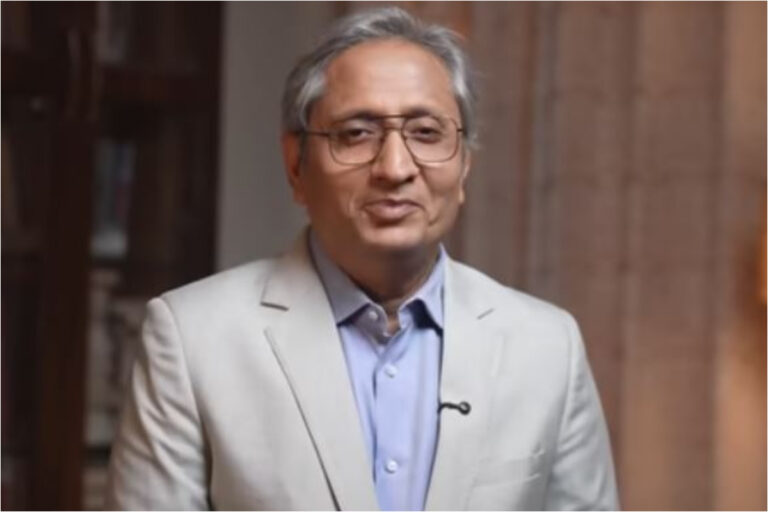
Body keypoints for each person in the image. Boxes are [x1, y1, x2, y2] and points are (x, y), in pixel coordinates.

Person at [106, 7, 619, 511]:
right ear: (296, 165)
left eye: (426, 133)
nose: (394, 168)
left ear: (464, 165)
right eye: (356, 133)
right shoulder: (193, 339)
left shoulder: (547, 347)